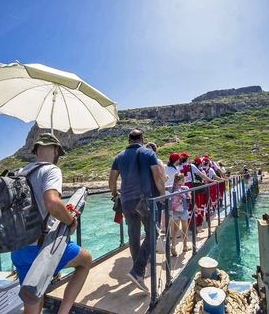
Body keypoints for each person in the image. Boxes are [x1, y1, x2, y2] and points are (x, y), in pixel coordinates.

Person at [11, 133, 92, 314]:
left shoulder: (19, 173)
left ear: (35, 151)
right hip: (42, 249)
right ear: (56, 151)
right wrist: (71, 220)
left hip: (19, 249)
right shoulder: (51, 170)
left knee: (32, 300)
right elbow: (53, 203)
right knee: (85, 261)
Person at [109, 130, 166, 293]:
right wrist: (162, 195)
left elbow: (112, 180)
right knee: (152, 233)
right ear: (142, 140)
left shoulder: (119, 157)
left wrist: (115, 194)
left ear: (128, 141)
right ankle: (138, 270)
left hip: (126, 201)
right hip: (144, 201)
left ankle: (137, 269)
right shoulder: (148, 153)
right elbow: (157, 176)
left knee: (133, 235)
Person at [146, 142, 168, 231]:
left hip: (145, 191)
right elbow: (163, 179)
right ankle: (155, 239)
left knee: (147, 217)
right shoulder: (158, 162)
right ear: (156, 150)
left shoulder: (143, 162)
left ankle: (149, 236)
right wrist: (166, 178)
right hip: (156, 191)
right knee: (157, 215)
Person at [169, 173, 192, 257]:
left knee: (175, 230)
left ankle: (173, 247)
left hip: (175, 211)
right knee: (184, 228)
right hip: (183, 211)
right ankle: (185, 246)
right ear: (182, 181)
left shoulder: (172, 188)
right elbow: (189, 196)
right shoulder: (185, 188)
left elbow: (163, 188)